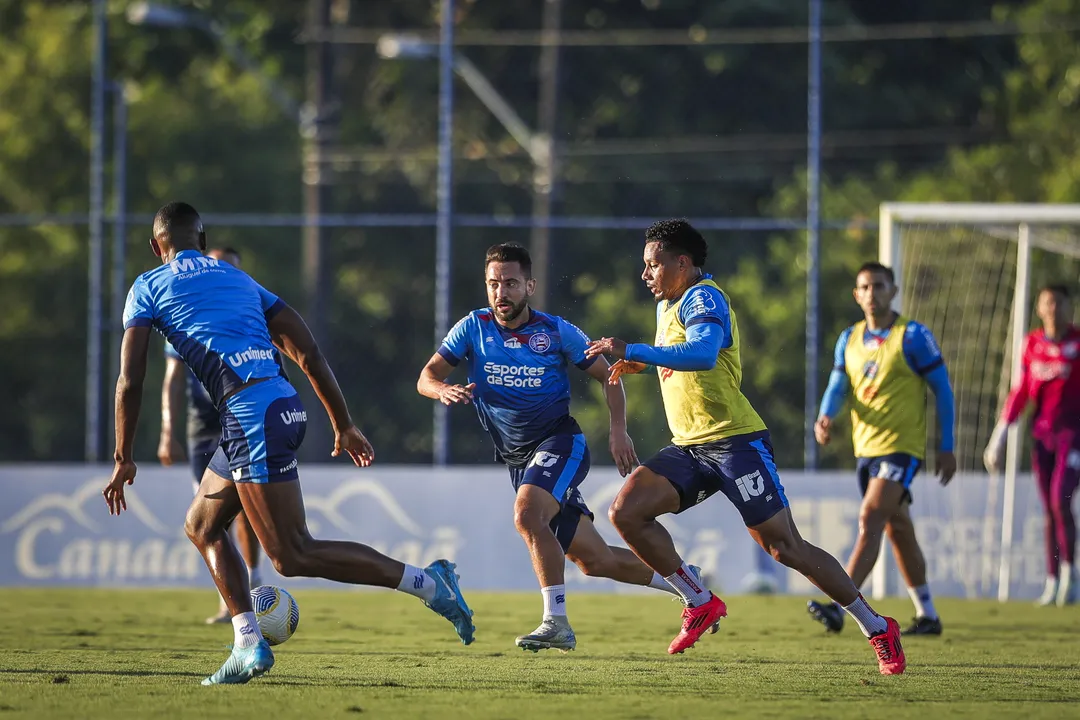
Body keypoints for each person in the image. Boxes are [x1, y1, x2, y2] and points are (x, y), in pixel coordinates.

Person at [104, 202, 475, 685]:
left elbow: (129, 381)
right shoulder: (239, 279)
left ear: (158, 247)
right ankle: (247, 643)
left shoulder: (147, 286)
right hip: (279, 406)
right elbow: (308, 351)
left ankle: (429, 584)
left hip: (248, 415)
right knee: (201, 525)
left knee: (292, 554)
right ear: (201, 239)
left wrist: (123, 457)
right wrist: (342, 423)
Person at [585, 219, 906, 675]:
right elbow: (676, 360)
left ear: (683, 263)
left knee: (786, 549)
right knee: (626, 512)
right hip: (690, 446)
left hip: (736, 443)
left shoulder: (704, 298)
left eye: (653, 265)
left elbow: (701, 353)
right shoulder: (669, 303)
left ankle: (877, 627)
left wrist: (633, 347)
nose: (645, 274)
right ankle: (698, 599)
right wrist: (637, 363)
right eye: (644, 266)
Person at [417, 243, 712, 653]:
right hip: (520, 460)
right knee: (594, 561)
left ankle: (555, 622)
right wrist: (441, 389)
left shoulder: (555, 331)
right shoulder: (473, 327)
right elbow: (426, 376)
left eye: (511, 284)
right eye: (493, 284)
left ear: (530, 286)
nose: (501, 293)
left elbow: (609, 375)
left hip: (560, 442)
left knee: (527, 514)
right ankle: (682, 577)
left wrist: (618, 430)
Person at [808, 262, 956, 637]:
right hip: (867, 450)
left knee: (871, 516)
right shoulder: (850, 338)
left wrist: (947, 445)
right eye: (865, 287)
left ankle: (842, 606)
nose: (872, 293)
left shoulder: (913, 337)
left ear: (893, 291)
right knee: (898, 529)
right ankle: (928, 615)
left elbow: (943, 390)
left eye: (879, 286)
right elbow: (838, 385)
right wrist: (825, 416)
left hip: (901, 449)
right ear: (856, 295)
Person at [158, 246, 265, 624]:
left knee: (248, 510)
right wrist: (167, 431)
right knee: (209, 517)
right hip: (202, 427)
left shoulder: (247, 311)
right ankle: (232, 599)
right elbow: (172, 377)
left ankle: (253, 585)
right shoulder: (185, 314)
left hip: (241, 417)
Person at [984, 284, 1080, 606]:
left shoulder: (1077, 342)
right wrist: (1000, 436)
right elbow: (1021, 391)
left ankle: (1070, 575)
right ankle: (1052, 582)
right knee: (1049, 512)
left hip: (1073, 436)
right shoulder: (1031, 343)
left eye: (1059, 302)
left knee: (1059, 501)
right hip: (1042, 437)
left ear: (1069, 307)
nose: (1053, 308)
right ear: (1039, 308)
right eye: (1047, 303)